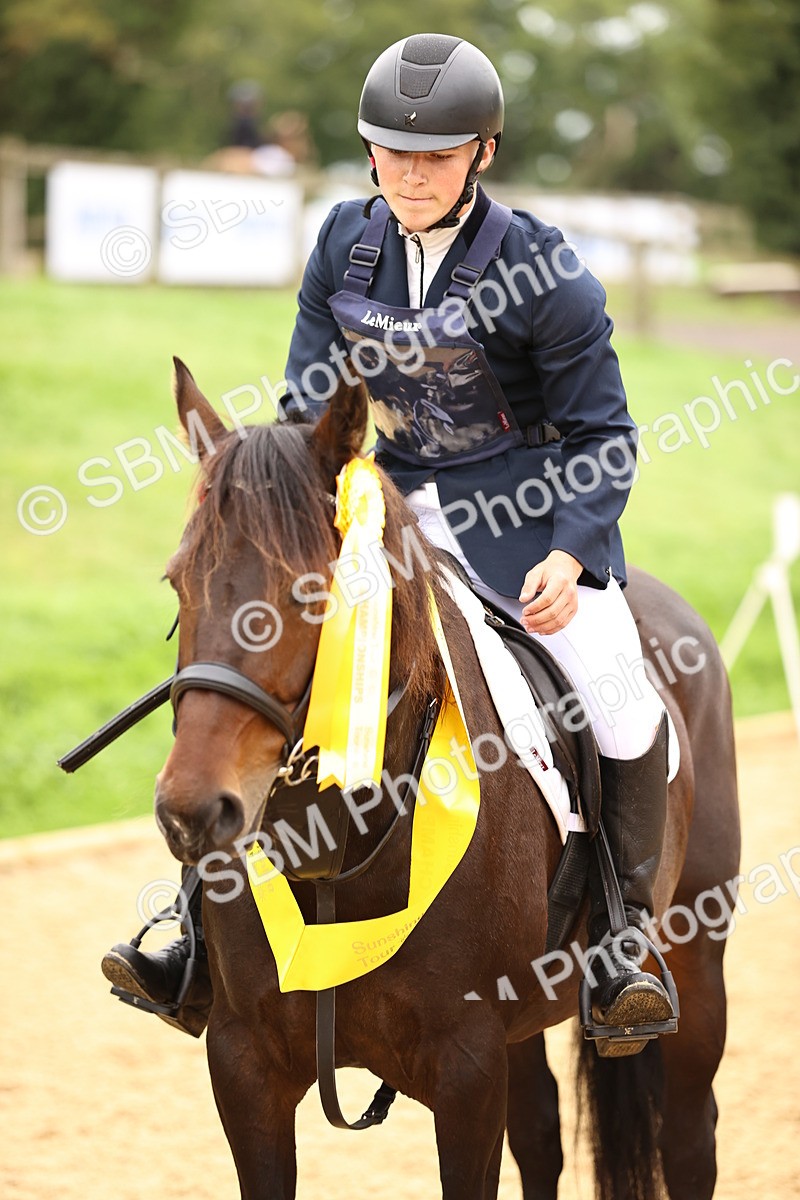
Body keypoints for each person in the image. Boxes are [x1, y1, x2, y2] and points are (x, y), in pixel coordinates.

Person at [103, 33, 676, 1047]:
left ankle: (622, 943)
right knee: (262, 668)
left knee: (622, 697)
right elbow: (307, 402)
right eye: (393, 152)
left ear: (482, 155)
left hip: (527, 526)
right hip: (378, 520)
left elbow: (603, 436)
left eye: (438, 154)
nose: (412, 173)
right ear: (369, 155)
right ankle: (193, 936)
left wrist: (571, 552)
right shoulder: (341, 244)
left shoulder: (547, 272)